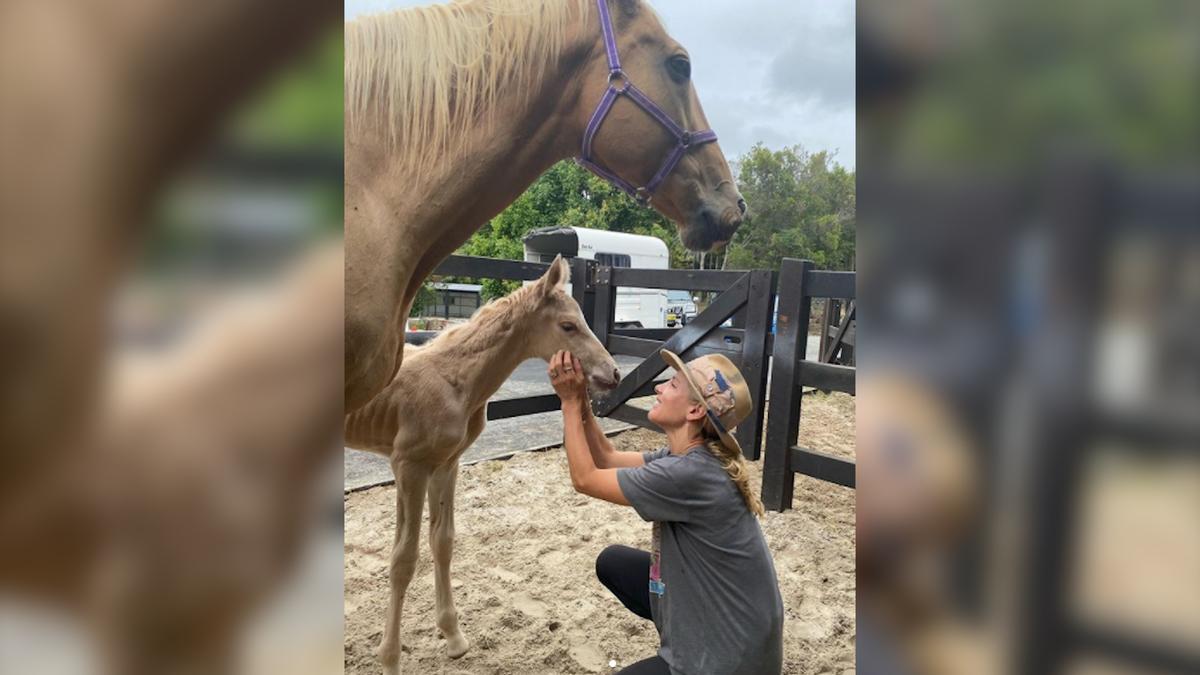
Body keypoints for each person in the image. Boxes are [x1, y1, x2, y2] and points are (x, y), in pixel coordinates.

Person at [548, 349, 784, 675]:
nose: (659, 389)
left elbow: (586, 478)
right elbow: (605, 457)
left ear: (695, 410)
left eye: (672, 385)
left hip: (729, 662)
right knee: (613, 563)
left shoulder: (689, 474)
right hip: (741, 631)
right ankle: (682, 629)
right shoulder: (687, 458)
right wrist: (582, 399)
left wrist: (570, 403)